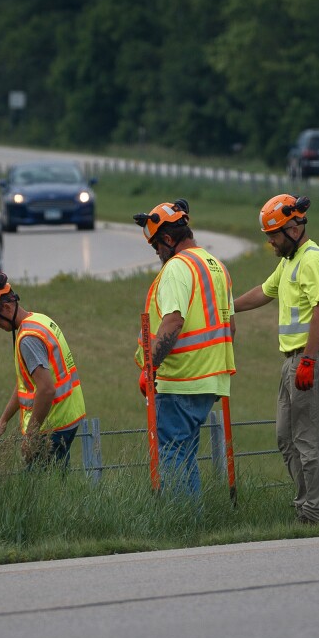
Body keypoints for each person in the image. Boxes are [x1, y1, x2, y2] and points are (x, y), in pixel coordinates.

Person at [232, 194, 319, 524]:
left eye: (274, 236)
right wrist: (223, 307)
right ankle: (306, 505)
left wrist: (308, 360)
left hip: (313, 360)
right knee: (286, 438)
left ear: (293, 229)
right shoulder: (290, 262)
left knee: (308, 439)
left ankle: (316, 513)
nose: (270, 243)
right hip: (293, 361)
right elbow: (264, 292)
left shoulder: (313, 261)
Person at [132, 199, 236, 497]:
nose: (157, 254)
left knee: (173, 456)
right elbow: (231, 326)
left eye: (156, 247)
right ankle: (192, 525)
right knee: (185, 454)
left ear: (167, 238)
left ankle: (181, 527)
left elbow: (173, 321)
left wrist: (149, 367)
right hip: (211, 379)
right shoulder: (216, 266)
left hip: (181, 380)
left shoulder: (177, 268)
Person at [0, 272, 87, 467]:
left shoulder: (28, 339)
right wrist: (3, 420)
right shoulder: (39, 319)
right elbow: (26, 385)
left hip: (52, 426)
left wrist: (31, 437)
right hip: (66, 417)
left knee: (40, 491)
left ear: (7, 308)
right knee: (55, 486)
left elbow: (46, 389)